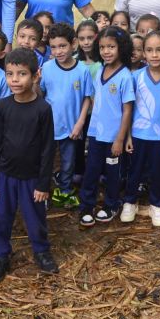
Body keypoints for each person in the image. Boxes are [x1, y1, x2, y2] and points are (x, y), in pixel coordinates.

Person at [0, 48, 59, 282]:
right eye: (10, 74)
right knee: (1, 216)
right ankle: (0, 256)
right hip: (5, 175)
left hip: (31, 178)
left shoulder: (43, 109)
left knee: (34, 217)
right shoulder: (4, 105)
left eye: (21, 74)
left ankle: (41, 251)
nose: (15, 80)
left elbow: (48, 149)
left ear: (36, 75)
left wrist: (43, 183)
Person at [121, 31, 160, 227]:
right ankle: (130, 201)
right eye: (149, 50)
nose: (154, 55)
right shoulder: (135, 77)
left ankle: (156, 205)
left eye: (159, 50)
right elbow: (129, 109)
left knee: (158, 172)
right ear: (143, 53)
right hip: (138, 134)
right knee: (135, 170)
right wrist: (128, 135)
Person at [78, 27, 135, 227]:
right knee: (92, 170)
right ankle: (86, 206)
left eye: (111, 47)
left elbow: (127, 110)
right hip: (95, 133)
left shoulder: (125, 76)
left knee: (113, 173)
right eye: (102, 47)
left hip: (113, 137)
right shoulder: (100, 70)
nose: (106, 51)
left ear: (121, 48)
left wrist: (120, 138)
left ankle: (111, 205)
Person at [40, 23, 93, 208]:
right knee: (44, 162)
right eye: (53, 47)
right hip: (48, 127)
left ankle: (65, 192)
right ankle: (43, 194)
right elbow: (40, 95)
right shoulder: (46, 68)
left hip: (71, 127)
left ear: (74, 44)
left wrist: (80, 123)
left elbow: (87, 98)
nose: (58, 51)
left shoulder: (82, 70)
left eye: (62, 46)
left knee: (68, 162)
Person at [73, 20, 100, 184]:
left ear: (96, 38)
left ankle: (97, 172)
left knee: (95, 144)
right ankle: (78, 171)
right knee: (78, 142)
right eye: (82, 38)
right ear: (77, 40)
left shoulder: (102, 61)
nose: (86, 42)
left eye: (90, 38)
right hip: (79, 110)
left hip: (98, 110)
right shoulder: (75, 61)